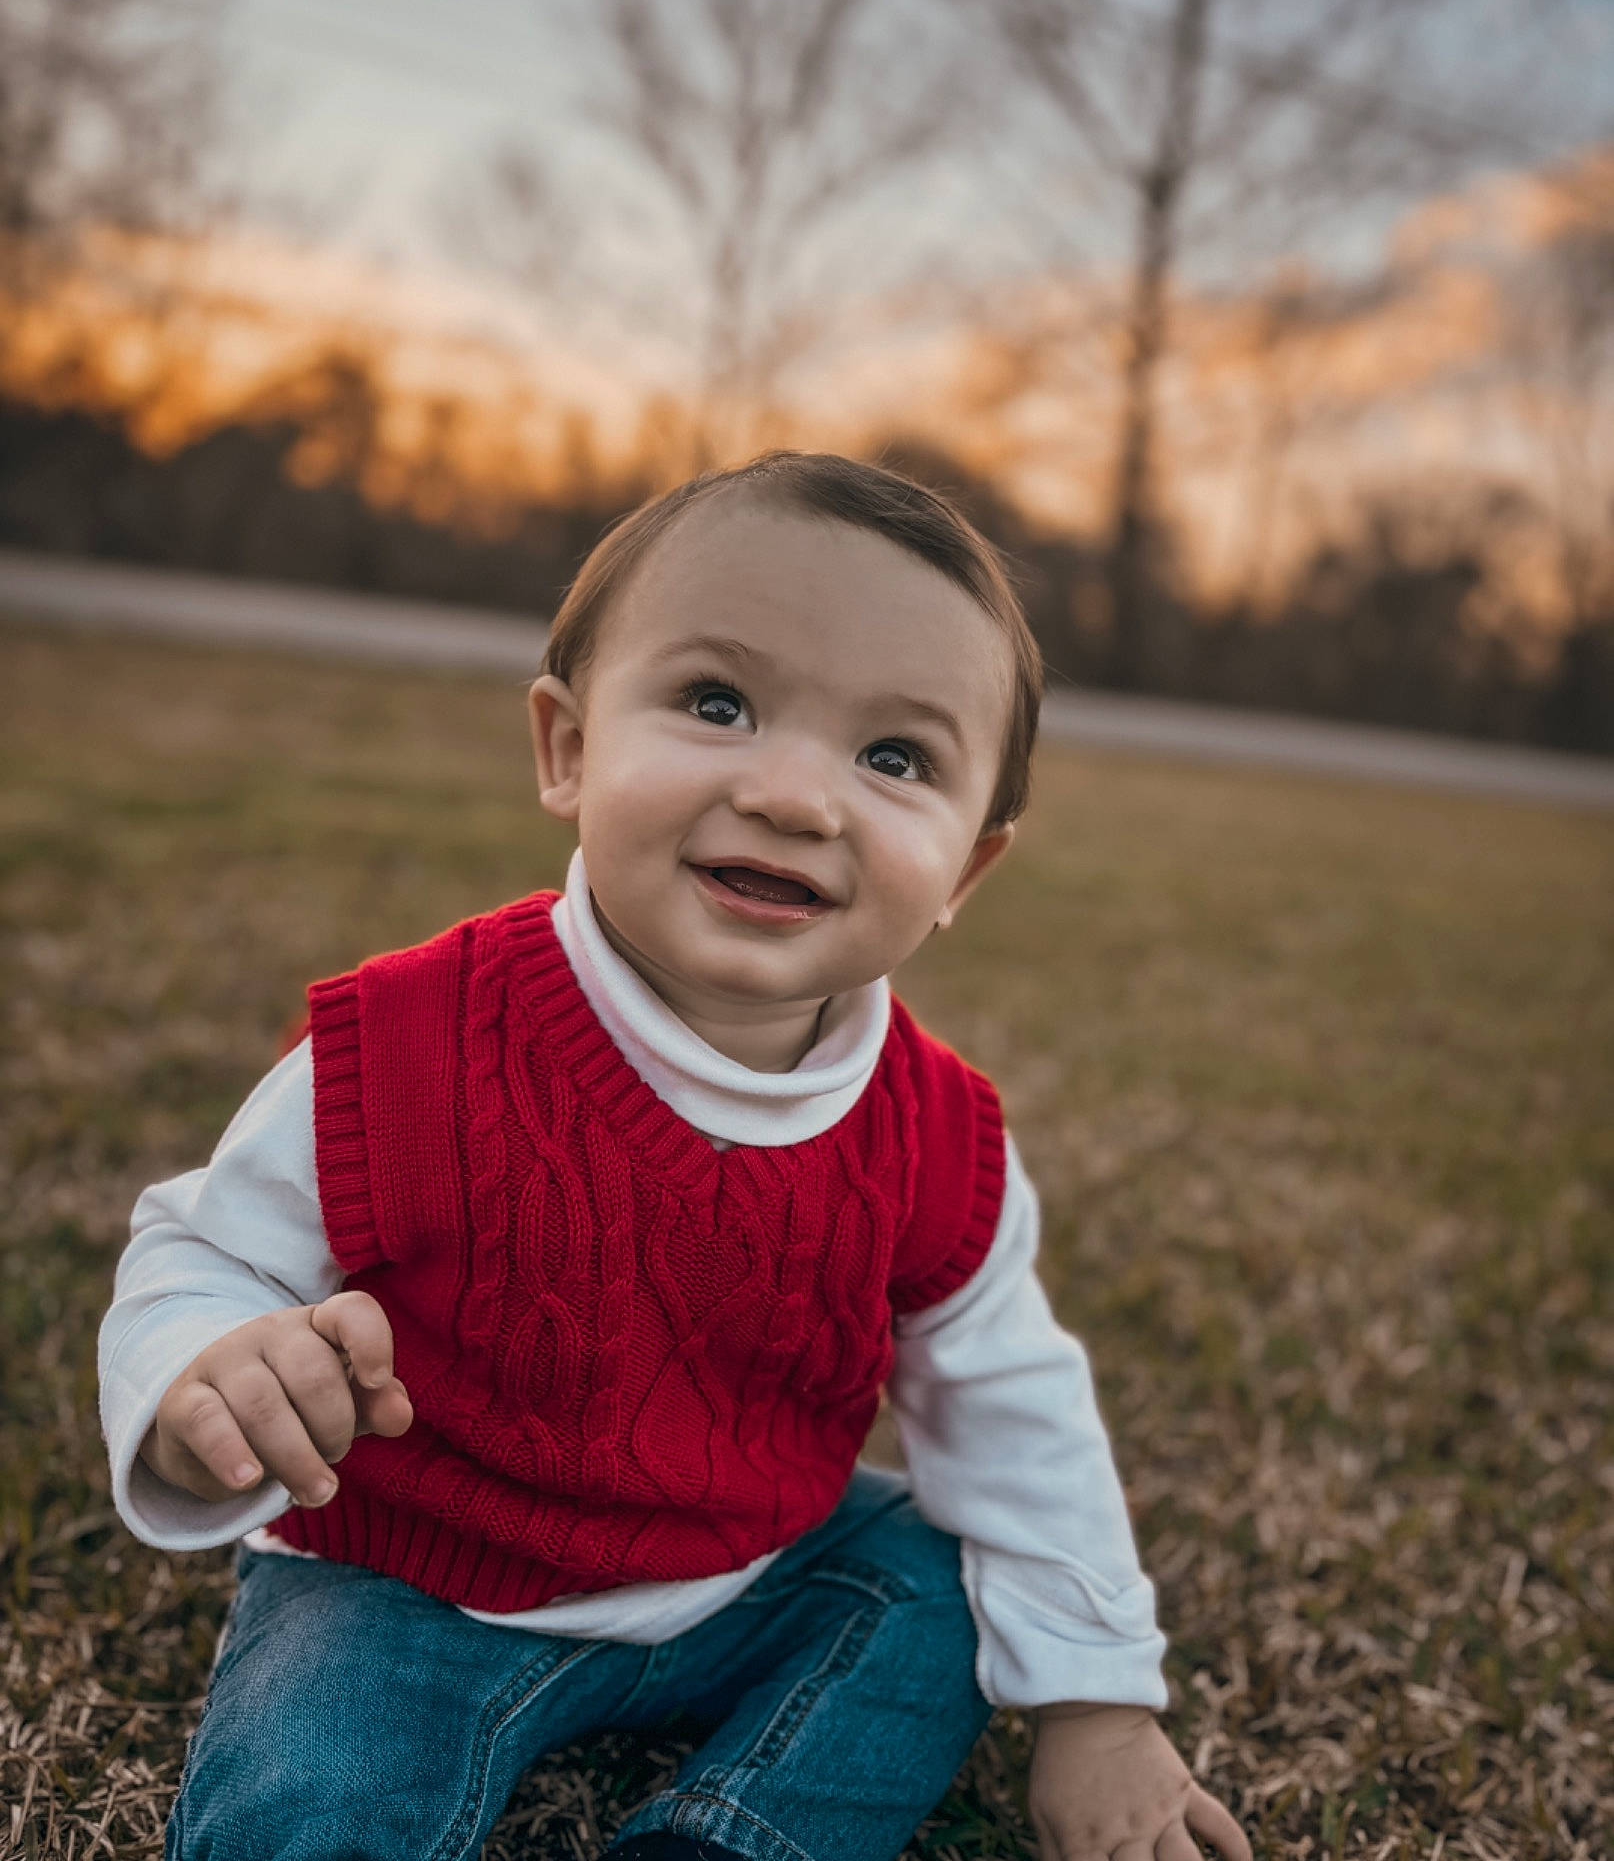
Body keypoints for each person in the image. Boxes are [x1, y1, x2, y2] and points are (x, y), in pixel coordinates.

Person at [100, 452, 1251, 1861]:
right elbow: (201, 1251)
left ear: (962, 872)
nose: (792, 795)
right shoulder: (411, 1041)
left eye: (893, 759)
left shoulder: (936, 1135)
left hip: (753, 1573)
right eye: (718, 703)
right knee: (309, 1803)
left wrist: (1093, 1703)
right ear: (566, 748)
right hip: (402, 1585)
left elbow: (1012, 1408)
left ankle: (728, 1838)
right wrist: (199, 1372)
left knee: (951, 1581)